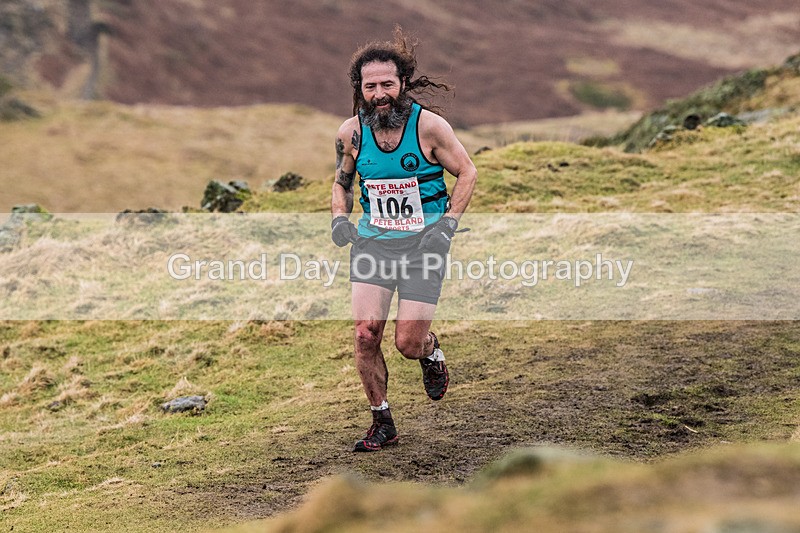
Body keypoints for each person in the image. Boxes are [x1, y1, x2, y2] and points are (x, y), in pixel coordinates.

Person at [330, 28, 477, 452]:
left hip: (423, 247)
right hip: (373, 245)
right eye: (370, 86)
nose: (379, 94)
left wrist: (447, 224)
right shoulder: (350, 133)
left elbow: (467, 172)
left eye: (387, 85)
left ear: (403, 84)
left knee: (407, 343)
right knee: (364, 334)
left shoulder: (430, 127)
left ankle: (430, 351)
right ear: (360, 88)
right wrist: (340, 218)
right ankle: (382, 422)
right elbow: (341, 181)